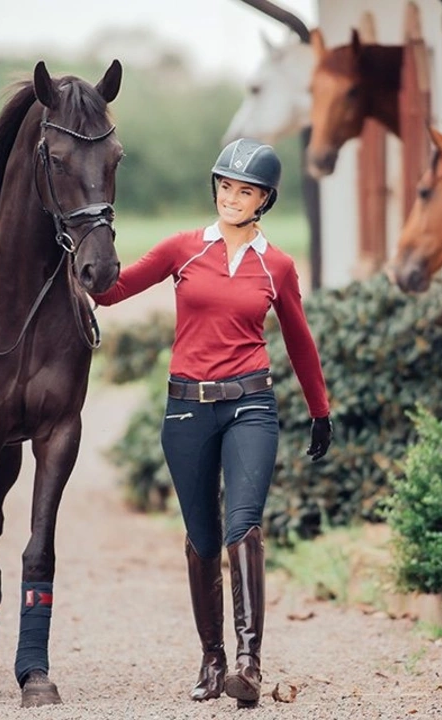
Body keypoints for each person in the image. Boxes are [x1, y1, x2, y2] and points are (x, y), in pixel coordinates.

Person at [92, 138, 332, 707]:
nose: (231, 197)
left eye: (244, 190)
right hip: (186, 407)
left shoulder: (276, 266)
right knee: (201, 538)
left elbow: (298, 338)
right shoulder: (183, 250)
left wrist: (320, 410)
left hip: (251, 403)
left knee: (241, 525)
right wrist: (74, 255)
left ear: (264, 200)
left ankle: (247, 663)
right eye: (225, 186)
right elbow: (112, 289)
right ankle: (212, 658)